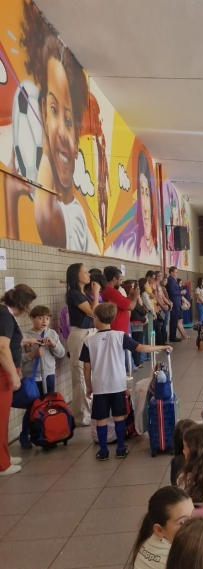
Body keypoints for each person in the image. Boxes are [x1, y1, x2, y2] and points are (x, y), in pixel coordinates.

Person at [4, 6, 96, 252]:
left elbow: (46, 215)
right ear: (42, 110)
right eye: (53, 109)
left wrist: (45, 149)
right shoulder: (41, 193)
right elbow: (16, 255)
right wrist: (10, 197)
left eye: (69, 121)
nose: (62, 133)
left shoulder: (76, 217)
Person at [80, 303, 172, 461]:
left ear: (96, 318)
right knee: (119, 417)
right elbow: (140, 348)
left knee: (101, 419)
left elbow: (86, 367)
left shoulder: (89, 341)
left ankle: (103, 451)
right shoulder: (120, 336)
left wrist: (89, 386)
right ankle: (121, 448)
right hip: (118, 385)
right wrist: (162, 347)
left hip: (100, 386)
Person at [0, 284, 37, 475]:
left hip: (5, 371)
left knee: (4, 417)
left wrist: (24, 340)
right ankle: (2, 464)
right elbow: (2, 347)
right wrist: (13, 375)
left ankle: (4, 456)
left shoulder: (3, 312)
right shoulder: (5, 315)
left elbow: (8, 341)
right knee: (1, 418)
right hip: (3, 373)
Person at [133, 486, 195, 569]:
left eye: (193, 514)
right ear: (159, 530)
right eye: (182, 522)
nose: (193, 525)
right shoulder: (175, 558)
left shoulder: (151, 541)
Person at [20, 305, 65, 448]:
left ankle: (48, 434)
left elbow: (61, 353)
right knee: (32, 407)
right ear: (31, 318)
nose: (44, 321)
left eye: (47, 318)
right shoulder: (24, 336)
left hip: (49, 375)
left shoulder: (52, 333)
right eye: (40, 318)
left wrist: (53, 344)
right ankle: (25, 435)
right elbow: (18, 358)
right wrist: (32, 354)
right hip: (32, 378)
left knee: (48, 405)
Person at [66, 263, 100, 426]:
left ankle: (91, 410)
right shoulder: (73, 293)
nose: (88, 275)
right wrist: (96, 292)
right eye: (85, 272)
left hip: (90, 333)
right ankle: (82, 416)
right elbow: (93, 312)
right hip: (81, 334)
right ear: (76, 275)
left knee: (90, 374)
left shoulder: (83, 293)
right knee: (80, 374)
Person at [166, 267, 182, 343]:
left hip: (177, 302)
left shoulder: (174, 280)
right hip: (174, 302)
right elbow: (172, 291)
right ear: (171, 272)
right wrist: (180, 292)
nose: (177, 273)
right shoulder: (170, 280)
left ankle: (174, 335)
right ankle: (172, 336)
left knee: (175, 320)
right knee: (173, 320)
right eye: (175, 272)